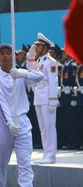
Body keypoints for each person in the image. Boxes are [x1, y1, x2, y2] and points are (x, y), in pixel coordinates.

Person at [0, 44, 41, 187]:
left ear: (13, 56)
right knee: (1, 162)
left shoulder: (19, 74)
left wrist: (23, 73)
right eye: (1, 54)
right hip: (3, 123)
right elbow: (0, 102)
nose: (5, 56)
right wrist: (9, 123)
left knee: (25, 161)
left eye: (8, 53)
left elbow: (40, 76)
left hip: (22, 121)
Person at [29, 33, 59, 164]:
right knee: (43, 127)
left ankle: (51, 154)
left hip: (47, 97)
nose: (35, 48)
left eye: (38, 46)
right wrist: (30, 56)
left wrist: (53, 100)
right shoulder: (38, 61)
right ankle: (46, 153)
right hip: (38, 97)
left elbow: (53, 82)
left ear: (45, 48)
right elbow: (29, 70)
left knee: (49, 127)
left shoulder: (51, 62)